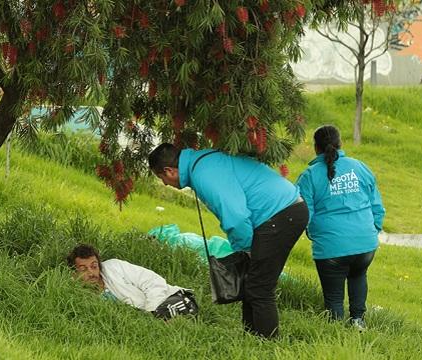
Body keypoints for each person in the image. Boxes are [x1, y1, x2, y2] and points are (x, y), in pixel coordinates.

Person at [148, 143, 308, 338]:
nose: (164, 183)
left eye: (161, 177)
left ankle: (268, 347)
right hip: (282, 211)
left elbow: (237, 216)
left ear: (169, 171)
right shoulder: (202, 163)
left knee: (259, 288)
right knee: (252, 283)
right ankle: (251, 340)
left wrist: (245, 251)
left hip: (280, 213)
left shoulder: (204, 173)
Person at [296, 125, 385, 331]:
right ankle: (357, 322)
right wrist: (373, 228)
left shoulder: (309, 176)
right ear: (340, 144)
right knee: (358, 275)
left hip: (331, 248)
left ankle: (335, 333)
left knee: (334, 301)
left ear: (316, 147)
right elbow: (377, 206)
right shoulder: (360, 167)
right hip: (365, 244)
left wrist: (314, 234)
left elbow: (303, 213)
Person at [66, 244, 198, 320]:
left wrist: (151, 310)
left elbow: (153, 282)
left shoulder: (114, 267)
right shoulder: (78, 294)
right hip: (145, 317)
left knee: (165, 316)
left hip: (168, 298)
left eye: (94, 266)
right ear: (74, 272)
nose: (91, 273)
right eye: (83, 269)